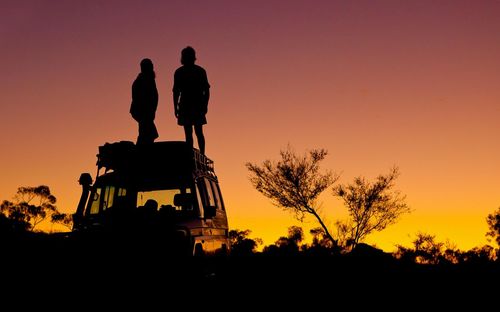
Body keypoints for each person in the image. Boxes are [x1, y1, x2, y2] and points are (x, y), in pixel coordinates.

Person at [172, 46, 210, 154]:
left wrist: (205, 105)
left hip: (195, 106)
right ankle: (194, 155)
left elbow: (206, 91)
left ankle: (201, 155)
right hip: (187, 105)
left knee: (196, 132)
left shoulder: (198, 71)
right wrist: (175, 107)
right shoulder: (181, 72)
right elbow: (175, 92)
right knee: (192, 133)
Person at [130, 58, 159, 145]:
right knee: (148, 133)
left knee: (147, 132)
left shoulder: (148, 79)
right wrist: (149, 111)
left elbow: (154, 97)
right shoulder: (142, 80)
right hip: (142, 111)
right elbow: (140, 99)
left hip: (145, 112)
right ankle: (140, 151)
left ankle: (142, 150)